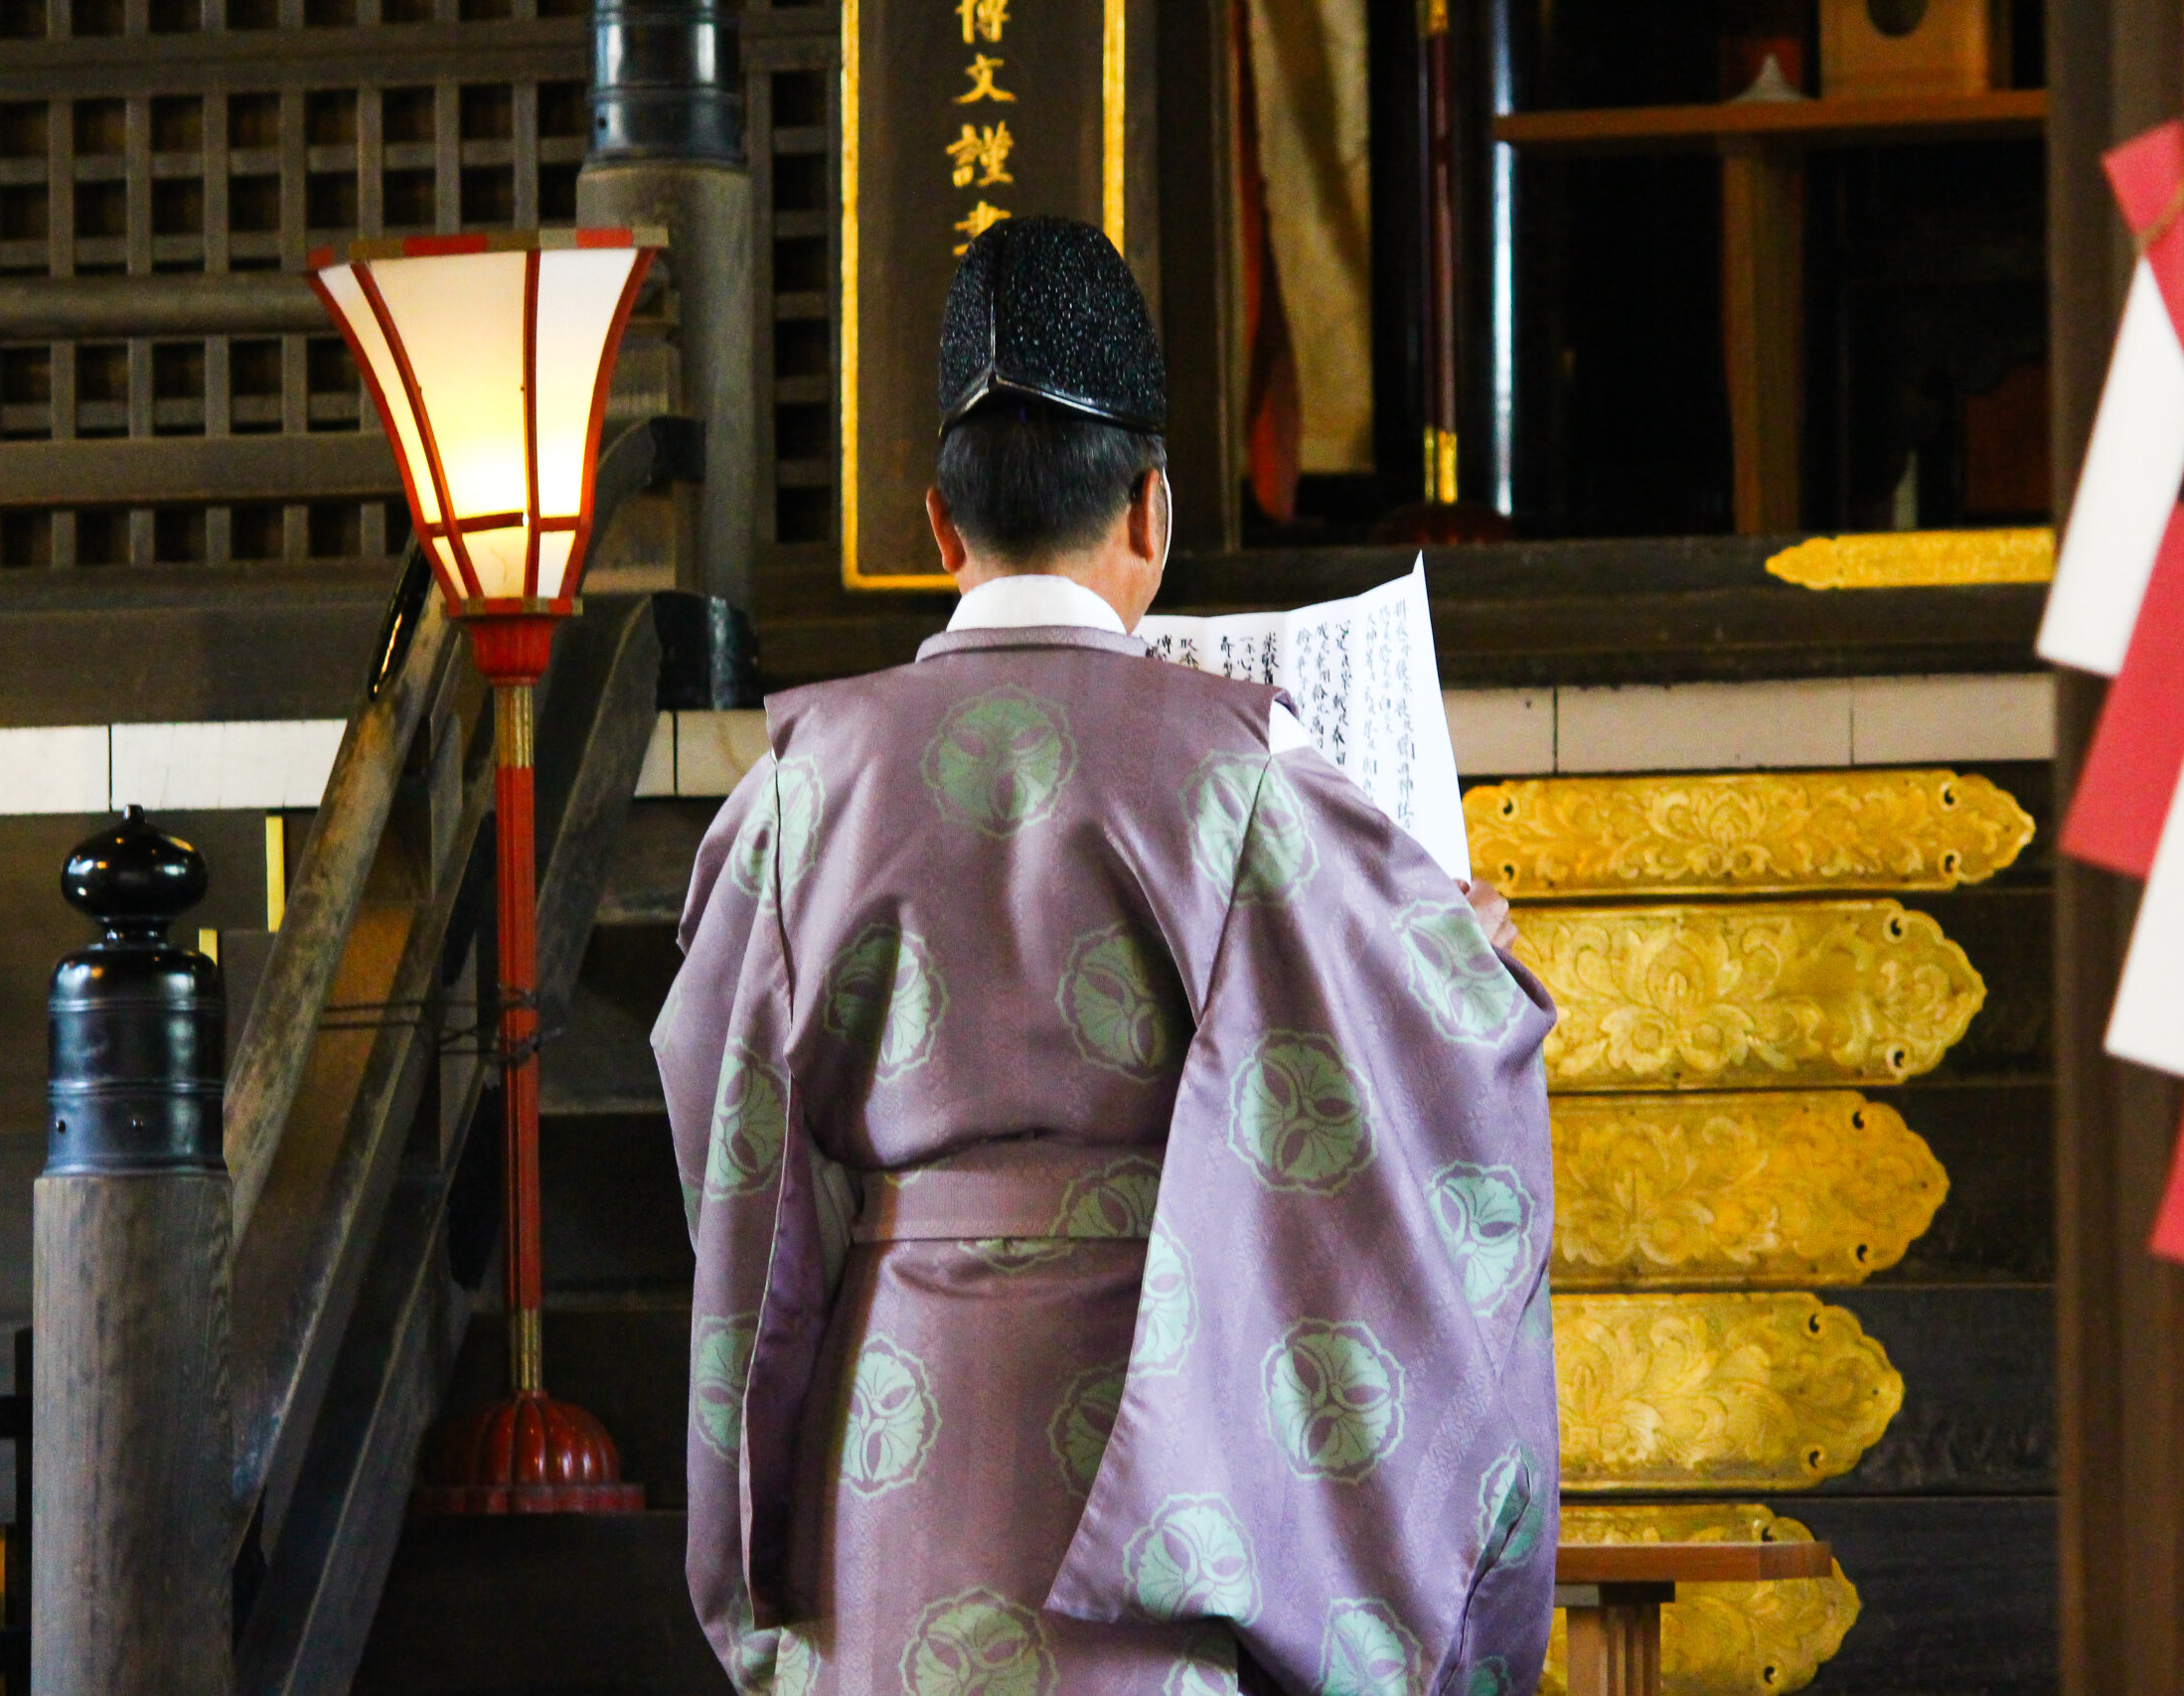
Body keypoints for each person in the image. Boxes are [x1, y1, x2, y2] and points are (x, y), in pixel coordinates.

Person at [656, 216, 1557, 1696]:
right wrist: (1459, 970)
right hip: (1162, 1449)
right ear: (1151, 510)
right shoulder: (1246, 770)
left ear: (940, 526)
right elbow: (1419, 1100)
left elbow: (728, 1126)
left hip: (890, 1440)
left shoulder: (797, 785)